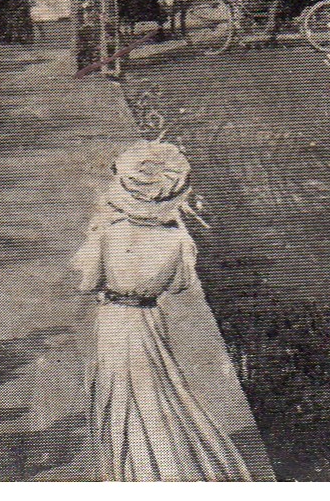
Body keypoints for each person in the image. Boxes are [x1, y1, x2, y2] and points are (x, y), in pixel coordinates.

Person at [72, 141, 251, 481]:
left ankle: (140, 468)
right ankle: (174, 458)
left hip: (113, 319)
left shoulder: (108, 234)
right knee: (160, 385)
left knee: (120, 394)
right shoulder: (177, 241)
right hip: (149, 318)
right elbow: (180, 284)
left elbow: (86, 280)